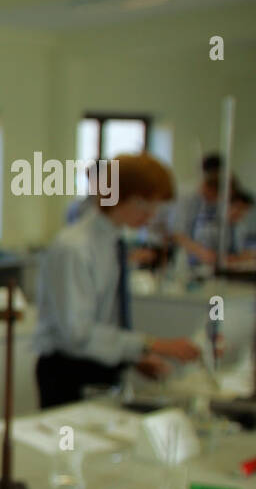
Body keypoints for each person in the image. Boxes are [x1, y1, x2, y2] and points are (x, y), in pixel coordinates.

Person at [33, 153, 200, 409]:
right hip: (69, 372)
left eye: (156, 206)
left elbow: (106, 318)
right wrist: (151, 344)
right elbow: (76, 333)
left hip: (102, 367)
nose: (151, 214)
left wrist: (133, 357)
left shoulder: (113, 243)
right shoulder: (74, 248)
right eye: (144, 203)